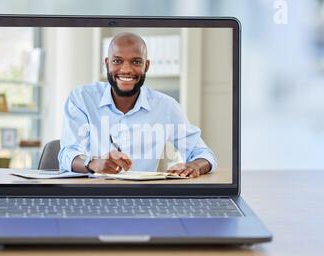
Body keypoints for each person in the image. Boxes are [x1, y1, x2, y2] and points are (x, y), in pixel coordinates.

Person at [58, 32, 217, 178]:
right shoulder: (81, 99)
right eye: (117, 61)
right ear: (107, 64)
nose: (126, 69)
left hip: (142, 197)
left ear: (146, 66)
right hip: (90, 195)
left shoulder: (165, 107)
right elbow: (68, 153)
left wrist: (195, 165)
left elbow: (203, 153)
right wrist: (94, 164)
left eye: (136, 62)